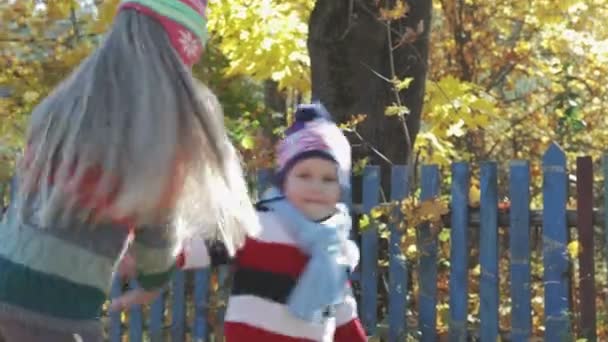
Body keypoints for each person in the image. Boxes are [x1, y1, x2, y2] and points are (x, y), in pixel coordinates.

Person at [0, 0, 259, 341]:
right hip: (60, 313)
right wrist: (153, 282)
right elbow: (156, 242)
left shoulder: (64, 110)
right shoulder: (157, 140)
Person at [180, 103, 368, 342]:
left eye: (328, 179)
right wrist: (155, 253)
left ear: (340, 190)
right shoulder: (260, 225)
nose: (316, 186)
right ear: (284, 181)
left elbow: (342, 311)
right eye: (304, 175)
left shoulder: (336, 248)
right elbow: (203, 247)